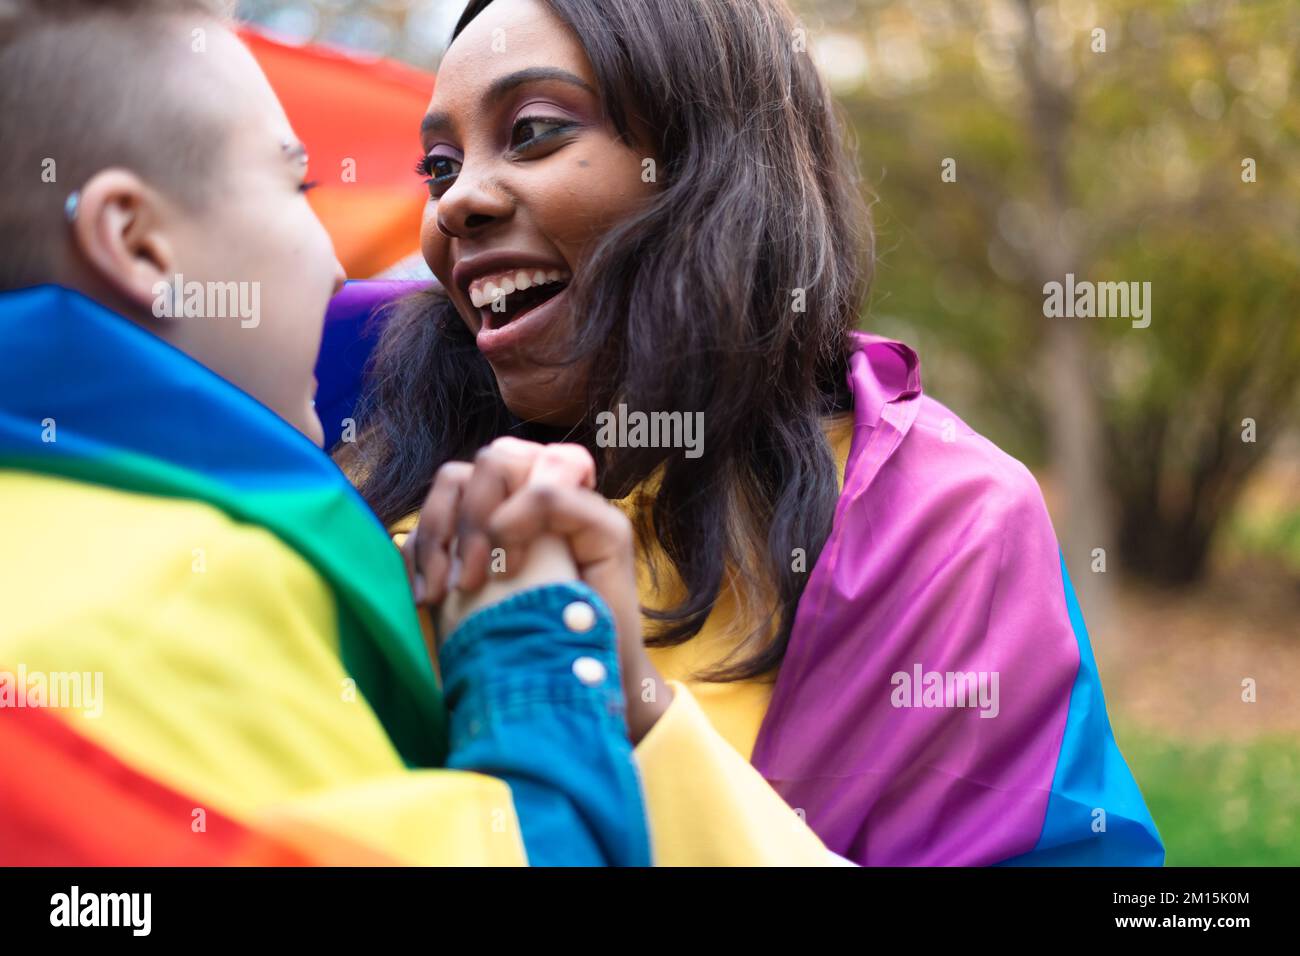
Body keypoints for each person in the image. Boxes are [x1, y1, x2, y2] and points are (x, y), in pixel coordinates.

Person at [0, 0, 829, 866]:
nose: (452, 202)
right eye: (298, 187)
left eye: (536, 129)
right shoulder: (195, 595)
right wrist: (539, 668)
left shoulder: (948, 539)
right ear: (135, 243)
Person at [351, 0, 1165, 865]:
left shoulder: (950, 518)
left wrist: (633, 712)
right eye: (439, 166)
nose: (456, 203)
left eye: (536, 131)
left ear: (709, 162)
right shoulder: (371, 489)